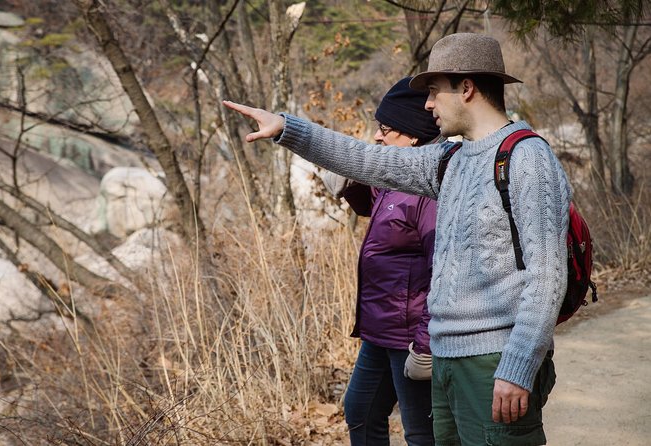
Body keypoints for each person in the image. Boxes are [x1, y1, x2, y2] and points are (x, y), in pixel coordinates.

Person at [224, 32, 569, 446]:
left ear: (467, 88)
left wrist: (517, 367)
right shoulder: (452, 160)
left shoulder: (527, 158)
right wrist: (288, 129)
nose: (427, 105)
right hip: (447, 362)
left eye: (434, 92)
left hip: (493, 363)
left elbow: (547, 278)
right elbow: (372, 161)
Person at [320, 77, 440, 445]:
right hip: (379, 331)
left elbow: (445, 273)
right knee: (361, 412)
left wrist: (425, 345)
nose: (377, 136)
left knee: (421, 433)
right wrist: (348, 177)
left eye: (386, 129)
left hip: (410, 338)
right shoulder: (394, 178)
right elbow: (374, 203)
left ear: (414, 136)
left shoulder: (429, 192)